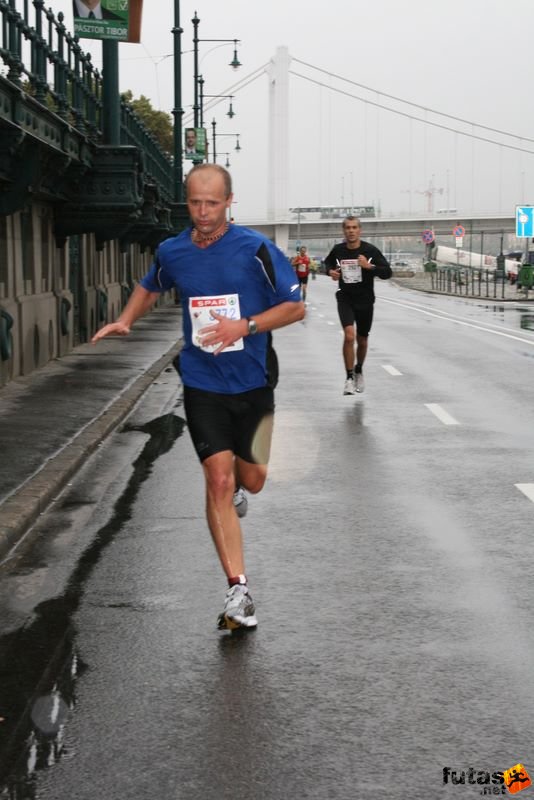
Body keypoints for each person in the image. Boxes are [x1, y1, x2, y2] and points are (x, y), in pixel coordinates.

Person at [91, 164, 304, 631]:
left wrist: (244, 326)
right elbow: (151, 283)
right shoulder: (174, 250)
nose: (203, 213)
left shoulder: (257, 250)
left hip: (252, 381)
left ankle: (239, 496)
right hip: (202, 381)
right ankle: (238, 591)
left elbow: (295, 306)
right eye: (194, 203)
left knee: (254, 479)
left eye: (212, 203)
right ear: (185, 202)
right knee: (219, 482)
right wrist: (127, 318)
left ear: (230, 200)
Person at [324, 216, 391, 395]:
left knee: (362, 340)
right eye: (347, 228)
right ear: (343, 231)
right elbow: (327, 263)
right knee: (349, 336)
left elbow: (387, 272)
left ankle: (359, 369)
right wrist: (330, 271)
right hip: (345, 297)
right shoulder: (338, 250)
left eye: (354, 227)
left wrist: (369, 267)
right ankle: (348, 378)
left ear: (359, 230)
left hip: (365, 300)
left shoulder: (370, 250)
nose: (351, 231)